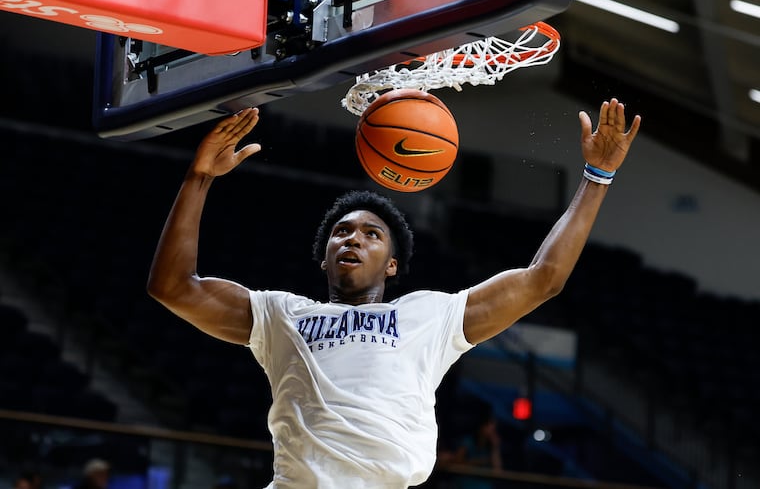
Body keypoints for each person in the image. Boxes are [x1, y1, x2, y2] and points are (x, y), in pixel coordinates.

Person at [147, 98, 641, 488]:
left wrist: (597, 178)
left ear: (393, 263)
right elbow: (172, 287)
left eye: (371, 234)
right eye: (341, 232)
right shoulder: (282, 313)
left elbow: (544, 278)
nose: (353, 238)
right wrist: (199, 177)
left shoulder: (429, 314)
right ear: (323, 258)